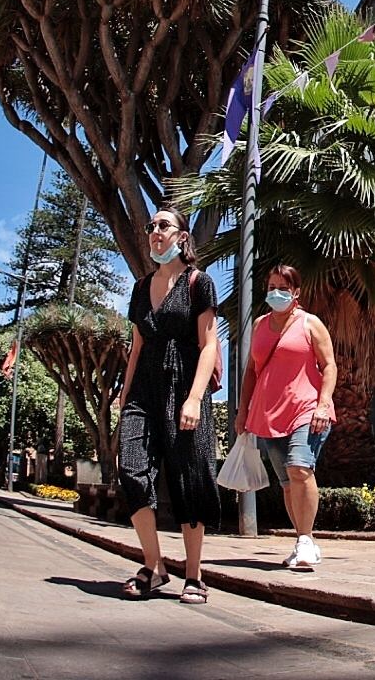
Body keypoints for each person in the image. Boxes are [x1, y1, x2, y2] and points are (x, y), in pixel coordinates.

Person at [116, 207, 221, 602]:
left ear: (181, 236)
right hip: (144, 387)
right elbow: (137, 345)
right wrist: (125, 394)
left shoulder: (199, 282)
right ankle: (154, 565)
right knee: (131, 467)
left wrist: (195, 398)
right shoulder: (141, 288)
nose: (154, 232)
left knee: (189, 478)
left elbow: (209, 344)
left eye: (163, 226)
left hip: (184, 388)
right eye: (151, 227)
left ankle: (194, 575)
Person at [235, 265, 337, 572]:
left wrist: (323, 404)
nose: (275, 292)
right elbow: (252, 371)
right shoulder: (260, 324)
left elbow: (329, 365)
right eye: (271, 286)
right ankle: (302, 541)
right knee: (288, 484)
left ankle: (306, 540)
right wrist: (243, 411)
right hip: (268, 413)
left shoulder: (311, 324)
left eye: (283, 287)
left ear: (296, 292)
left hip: (306, 409)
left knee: (299, 468)